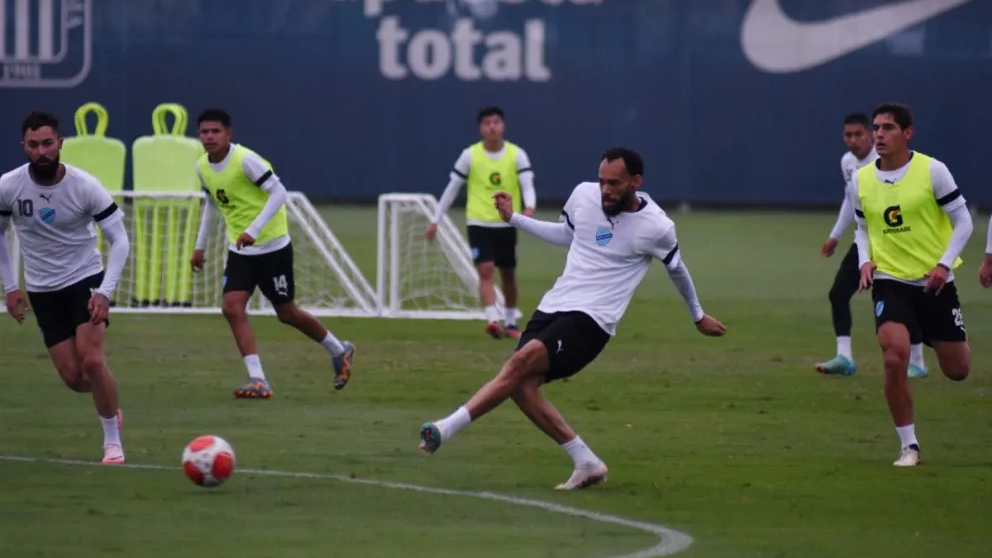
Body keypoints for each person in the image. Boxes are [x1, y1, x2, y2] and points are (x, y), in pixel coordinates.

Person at [418, 148, 726, 489]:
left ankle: (446, 428)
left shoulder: (657, 227)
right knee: (520, 387)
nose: (605, 190)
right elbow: (567, 235)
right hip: (555, 305)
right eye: (602, 181)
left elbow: (677, 270)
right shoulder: (583, 195)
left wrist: (697, 316)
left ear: (636, 182)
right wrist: (514, 218)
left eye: (615, 183)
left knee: (519, 364)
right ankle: (587, 462)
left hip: (592, 321)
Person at [190, 108, 355, 398]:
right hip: (240, 251)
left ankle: (339, 350)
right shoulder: (202, 167)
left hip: (272, 248)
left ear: (229, 133)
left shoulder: (246, 161)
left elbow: (279, 193)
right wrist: (199, 246)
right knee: (231, 307)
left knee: (287, 313)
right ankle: (258, 379)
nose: (209, 137)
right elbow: (213, 204)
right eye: (204, 132)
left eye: (215, 131)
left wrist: (253, 229)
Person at [0, 111, 130, 464]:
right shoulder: (8, 186)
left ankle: (112, 442)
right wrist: (11, 287)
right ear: (24, 147)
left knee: (91, 357)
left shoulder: (85, 186)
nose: (41, 151)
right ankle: (109, 401)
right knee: (75, 378)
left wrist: (105, 290)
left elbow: (120, 240)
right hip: (43, 291)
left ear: (60, 143)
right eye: (33, 145)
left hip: (85, 280)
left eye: (47, 143)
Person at [850, 103, 972, 467]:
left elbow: (964, 221)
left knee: (958, 370)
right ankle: (909, 446)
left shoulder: (933, 170)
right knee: (893, 357)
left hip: (934, 282)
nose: (879, 135)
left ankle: (931, 332)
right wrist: (865, 261)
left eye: (888, 128)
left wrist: (943, 265)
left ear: (907, 133)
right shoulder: (862, 180)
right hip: (889, 281)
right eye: (876, 128)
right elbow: (862, 228)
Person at [816, 113, 928, 378]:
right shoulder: (848, 163)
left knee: (904, 297)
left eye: (858, 134)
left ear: (870, 134)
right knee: (838, 293)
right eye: (847, 135)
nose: (853, 140)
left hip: (895, 239)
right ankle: (844, 357)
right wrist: (835, 235)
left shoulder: (886, 160)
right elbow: (850, 200)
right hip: (866, 239)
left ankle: (918, 361)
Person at [425, 106, 536, 339]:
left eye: (496, 122)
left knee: (508, 272)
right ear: (481, 128)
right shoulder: (470, 155)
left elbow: (527, 185)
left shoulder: (517, 154)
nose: (492, 126)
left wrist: (529, 208)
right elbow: (452, 188)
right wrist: (436, 219)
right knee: (485, 270)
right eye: (487, 123)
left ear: (503, 126)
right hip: (478, 222)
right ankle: (492, 320)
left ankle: (511, 322)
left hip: (506, 222)